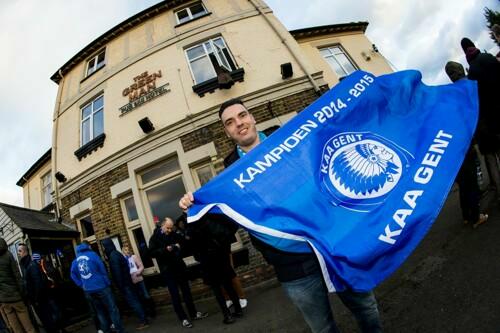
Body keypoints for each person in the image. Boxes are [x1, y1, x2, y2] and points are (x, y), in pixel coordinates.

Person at [179, 98, 383, 333]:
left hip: (333, 247)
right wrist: (195, 211)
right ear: (227, 132)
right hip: (293, 267)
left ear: (252, 117)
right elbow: (223, 229)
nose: (239, 123)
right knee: (323, 328)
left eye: (242, 115)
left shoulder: (290, 138)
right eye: (230, 122)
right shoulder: (229, 177)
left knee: (366, 308)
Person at [444, 61, 489, 228]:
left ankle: (466, 215)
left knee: (463, 183)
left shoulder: (449, 95)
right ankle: (476, 216)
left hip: (453, 149)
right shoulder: (468, 88)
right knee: (470, 182)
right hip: (465, 144)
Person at [181, 213, 243, 324]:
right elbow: (231, 227)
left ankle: (227, 315)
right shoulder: (211, 216)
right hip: (219, 256)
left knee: (217, 289)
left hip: (209, 260)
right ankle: (238, 310)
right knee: (227, 284)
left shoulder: (192, 224)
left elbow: (189, 245)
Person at [148, 218, 208, 329]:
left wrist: (180, 245)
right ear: (162, 225)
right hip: (168, 271)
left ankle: (194, 314)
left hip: (179, 268)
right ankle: (183, 318)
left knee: (187, 293)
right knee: (175, 296)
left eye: (171, 228)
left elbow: (184, 242)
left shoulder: (174, 233)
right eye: (168, 228)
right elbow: (151, 253)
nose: (170, 230)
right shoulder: (154, 237)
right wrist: (165, 249)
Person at [461, 38, 500, 204]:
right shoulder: (489, 58)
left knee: (491, 159)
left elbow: (475, 103)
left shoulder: (472, 73)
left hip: (488, 122)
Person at [70, 241, 125, 333]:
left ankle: (106, 331)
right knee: (112, 309)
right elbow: (102, 269)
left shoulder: (76, 260)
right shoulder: (93, 255)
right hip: (101, 287)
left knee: (99, 312)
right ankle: (119, 330)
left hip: (89, 290)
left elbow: (72, 275)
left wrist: (81, 284)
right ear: (88, 247)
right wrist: (107, 282)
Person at [101, 239, 149, 330]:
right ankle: (144, 318)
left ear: (107, 246)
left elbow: (117, 273)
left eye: (103, 246)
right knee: (135, 300)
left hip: (125, 285)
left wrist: (120, 286)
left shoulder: (113, 256)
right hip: (127, 282)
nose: (103, 248)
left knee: (134, 302)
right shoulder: (116, 253)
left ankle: (144, 321)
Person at [18, 245, 59, 333]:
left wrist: (36, 299)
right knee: (47, 320)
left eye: (20, 251)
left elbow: (38, 283)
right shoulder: (26, 265)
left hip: (40, 299)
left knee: (48, 320)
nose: (18, 253)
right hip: (38, 299)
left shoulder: (31, 265)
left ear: (25, 251)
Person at [0, 238, 36, 333]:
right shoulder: (8, 255)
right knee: (29, 328)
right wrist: (23, 294)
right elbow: (17, 277)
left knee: (17, 330)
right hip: (16, 298)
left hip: (4, 301)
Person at [121, 245, 156, 318]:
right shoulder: (124, 260)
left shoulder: (134, 257)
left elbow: (141, 266)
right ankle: (145, 312)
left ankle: (152, 312)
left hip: (139, 278)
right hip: (132, 281)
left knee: (145, 295)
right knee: (139, 297)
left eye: (127, 249)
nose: (127, 251)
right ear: (123, 252)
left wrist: (138, 272)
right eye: (125, 250)